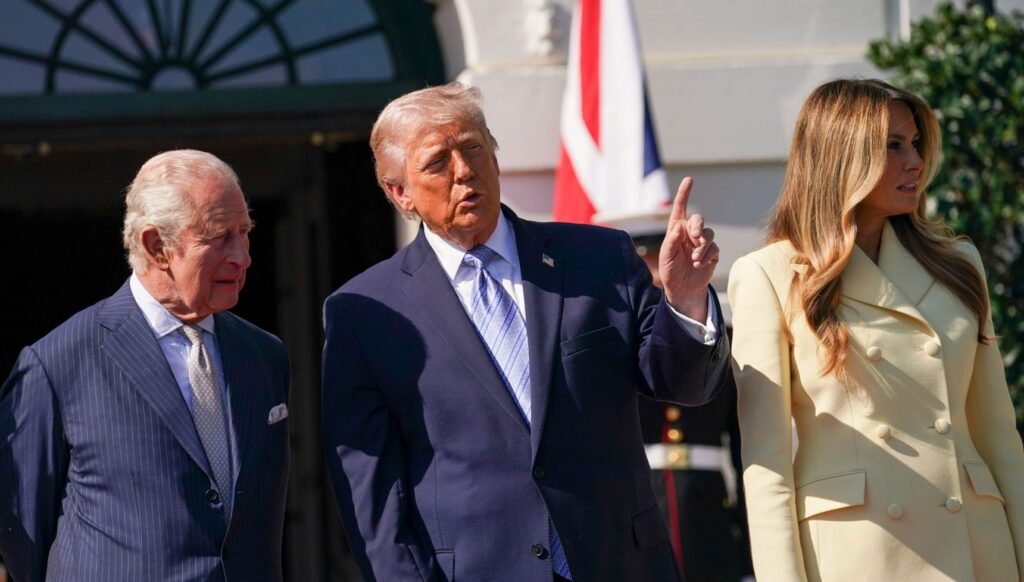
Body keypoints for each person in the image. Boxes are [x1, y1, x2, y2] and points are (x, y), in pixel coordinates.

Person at [321, 82, 731, 581]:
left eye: (473, 148)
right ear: (399, 192)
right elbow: (374, 501)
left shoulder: (597, 259)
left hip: (619, 562)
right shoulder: (366, 313)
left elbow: (684, 385)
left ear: (494, 155)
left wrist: (684, 300)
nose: (464, 170)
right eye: (438, 162)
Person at [729, 78, 1024, 581]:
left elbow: (999, 439)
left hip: (976, 550)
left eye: (916, 144)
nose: (916, 162)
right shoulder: (770, 275)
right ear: (840, 156)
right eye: (893, 146)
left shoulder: (959, 264)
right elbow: (766, 468)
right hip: (861, 556)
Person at [0, 150, 291, 581]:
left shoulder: (264, 354)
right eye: (219, 236)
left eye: (244, 232)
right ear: (157, 247)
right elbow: (23, 536)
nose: (243, 257)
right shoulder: (57, 363)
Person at [601, 209, 753, 581]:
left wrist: (751, 558)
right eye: (647, 266)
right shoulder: (609, 346)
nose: (659, 277)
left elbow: (747, 453)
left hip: (709, 518)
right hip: (636, 518)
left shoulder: (723, 338)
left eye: (664, 260)